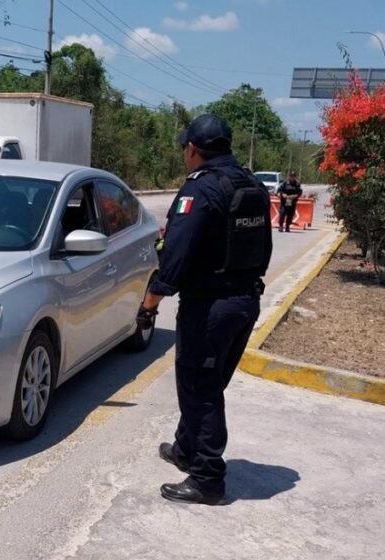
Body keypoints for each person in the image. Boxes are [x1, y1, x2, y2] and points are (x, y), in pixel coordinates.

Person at [137, 113, 272, 505]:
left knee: (201, 389)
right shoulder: (252, 185)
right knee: (207, 383)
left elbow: (176, 254)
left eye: (185, 147)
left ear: (193, 149)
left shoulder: (201, 190)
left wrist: (151, 302)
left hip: (210, 307)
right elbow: (263, 248)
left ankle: (208, 477)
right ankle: (185, 448)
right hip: (244, 301)